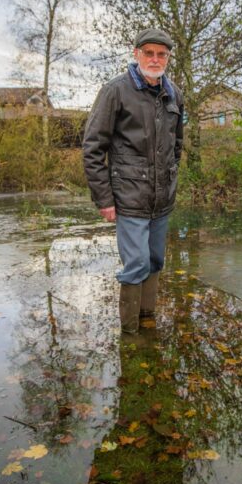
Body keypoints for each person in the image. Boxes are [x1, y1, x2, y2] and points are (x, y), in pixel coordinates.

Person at [82, 28, 184, 334]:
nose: (155, 59)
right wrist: (104, 199)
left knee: (155, 260)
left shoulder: (174, 93)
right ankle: (129, 334)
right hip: (128, 197)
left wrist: (171, 178)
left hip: (161, 199)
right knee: (136, 263)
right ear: (136, 53)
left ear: (168, 57)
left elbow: (177, 144)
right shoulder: (115, 91)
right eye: (149, 52)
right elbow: (92, 147)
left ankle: (146, 320)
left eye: (161, 54)